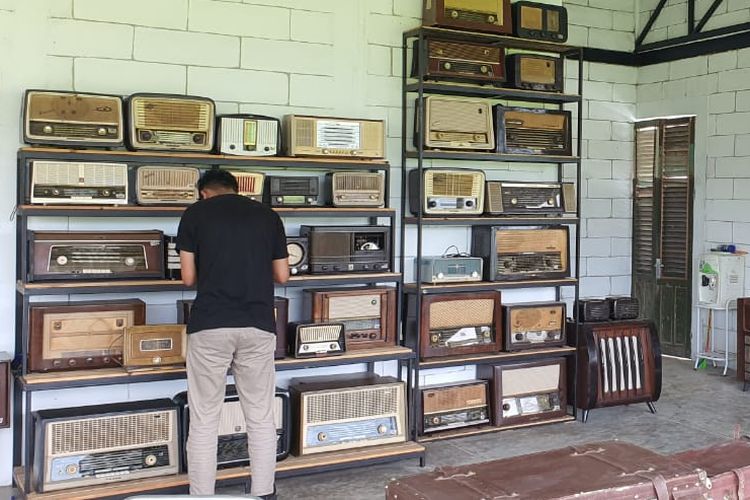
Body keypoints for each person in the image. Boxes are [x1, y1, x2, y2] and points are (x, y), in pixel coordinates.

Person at [176, 168, 289, 499]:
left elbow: (187, 279)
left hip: (210, 325)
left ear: (204, 193)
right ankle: (263, 493)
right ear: (236, 189)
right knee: (260, 415)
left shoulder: (195, 214)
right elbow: (282, 275)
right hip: (257, 324)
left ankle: (202, 495)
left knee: (205, 418)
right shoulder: (268, 215)